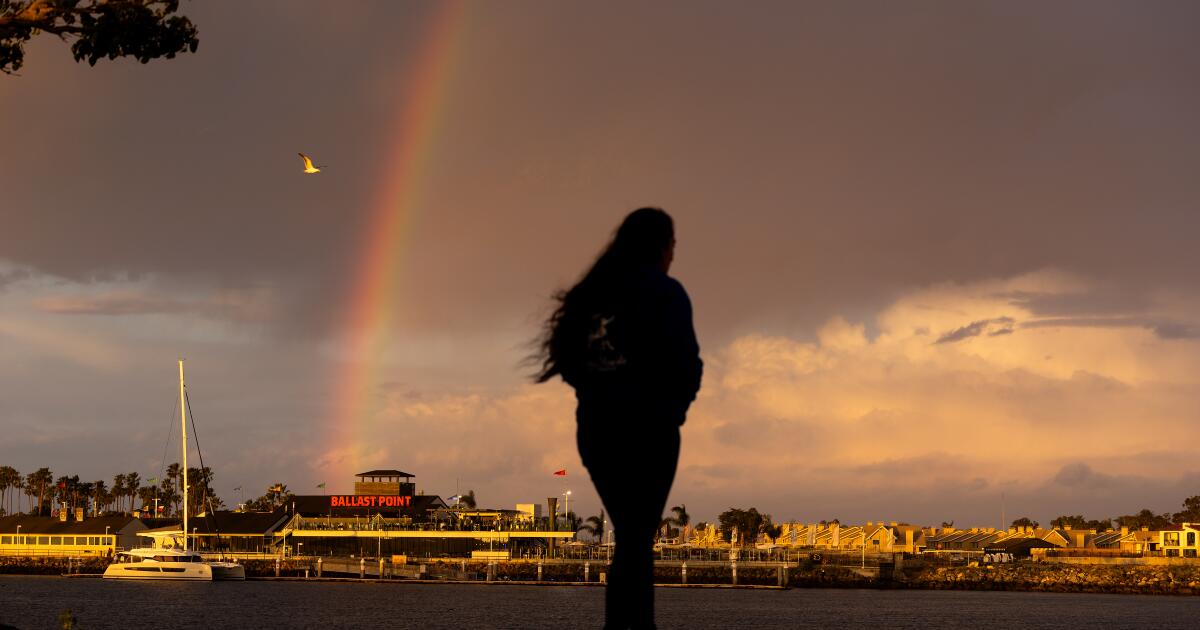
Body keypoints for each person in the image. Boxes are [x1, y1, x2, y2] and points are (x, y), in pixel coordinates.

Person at [536, 207, 702, 629]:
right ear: (660, 246)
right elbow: (688, 365)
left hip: (596, 432)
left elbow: (568, 362)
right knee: (635, 539)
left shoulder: (590, 296)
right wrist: (673, 413)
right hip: (650, 433)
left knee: (630, 535)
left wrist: (596, 393)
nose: (673, 256)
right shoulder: (666, 293)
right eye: (672, 246)